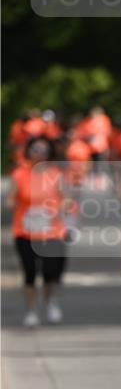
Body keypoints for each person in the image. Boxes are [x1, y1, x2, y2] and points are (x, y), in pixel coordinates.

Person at [8, 136, 68, 327]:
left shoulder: (56, 174)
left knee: (50, 272)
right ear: (28, 151)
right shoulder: (20, 174)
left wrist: (59, 209)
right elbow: (10, 199)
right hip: (25, 230)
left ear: (49, 153)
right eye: (35, 149)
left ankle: (51, 302)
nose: (39, 153)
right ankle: (31, 311)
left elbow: (66, 199)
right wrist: (19, 207)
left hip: (52, 231)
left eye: (43, 150)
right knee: (30, 273)